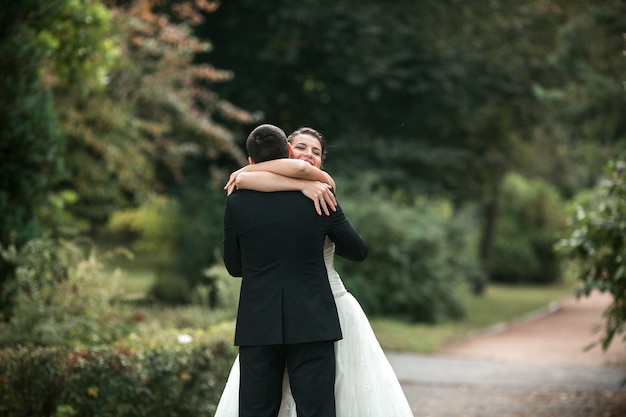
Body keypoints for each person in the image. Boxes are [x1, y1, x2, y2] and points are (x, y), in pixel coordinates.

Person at [216, 127, 415, 417]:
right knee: (316, 410)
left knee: (255, 411)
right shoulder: (320, 196)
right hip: (312, 318)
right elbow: (357, 251)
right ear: (288, 151)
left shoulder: (236, 199)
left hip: (258, 320)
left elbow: (234, 267)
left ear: (251, 159)